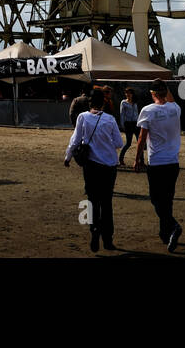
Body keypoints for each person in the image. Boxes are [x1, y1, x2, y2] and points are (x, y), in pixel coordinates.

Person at [64, 88, 124, 252]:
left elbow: (75, 140)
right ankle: (108, 239)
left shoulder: (83, 117)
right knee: (106, 203)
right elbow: (119, 143)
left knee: (92, 200)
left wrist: (68, 157)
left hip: (91, 166)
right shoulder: (110, 119)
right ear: (103, 102)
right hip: (109, 166)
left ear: (89, 103)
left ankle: (94, 231)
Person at [135, 79, 183, 252]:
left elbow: (142, 137)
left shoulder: (147, 111)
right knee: (167, 199)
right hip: (173, 162)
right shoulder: (175, 109)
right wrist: (164, 86)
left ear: (152, 93)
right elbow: (170, 99)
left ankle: (173, 225)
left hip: (156, 162)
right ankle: (165, 233)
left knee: (156, 198)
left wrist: (138, 157)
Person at [118, 88, 139, 167]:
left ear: (132, 94)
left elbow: (137, 114)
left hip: (135, 124)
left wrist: (139, 123)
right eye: (126, 93)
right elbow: (122, 114)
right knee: (128, 143)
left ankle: (141, 161)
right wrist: (122, 125)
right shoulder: (123, 102)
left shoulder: (135, 103)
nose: (128, 94)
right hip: (128, 124)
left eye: (129, 93)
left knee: (140, 142)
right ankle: (121, 159)